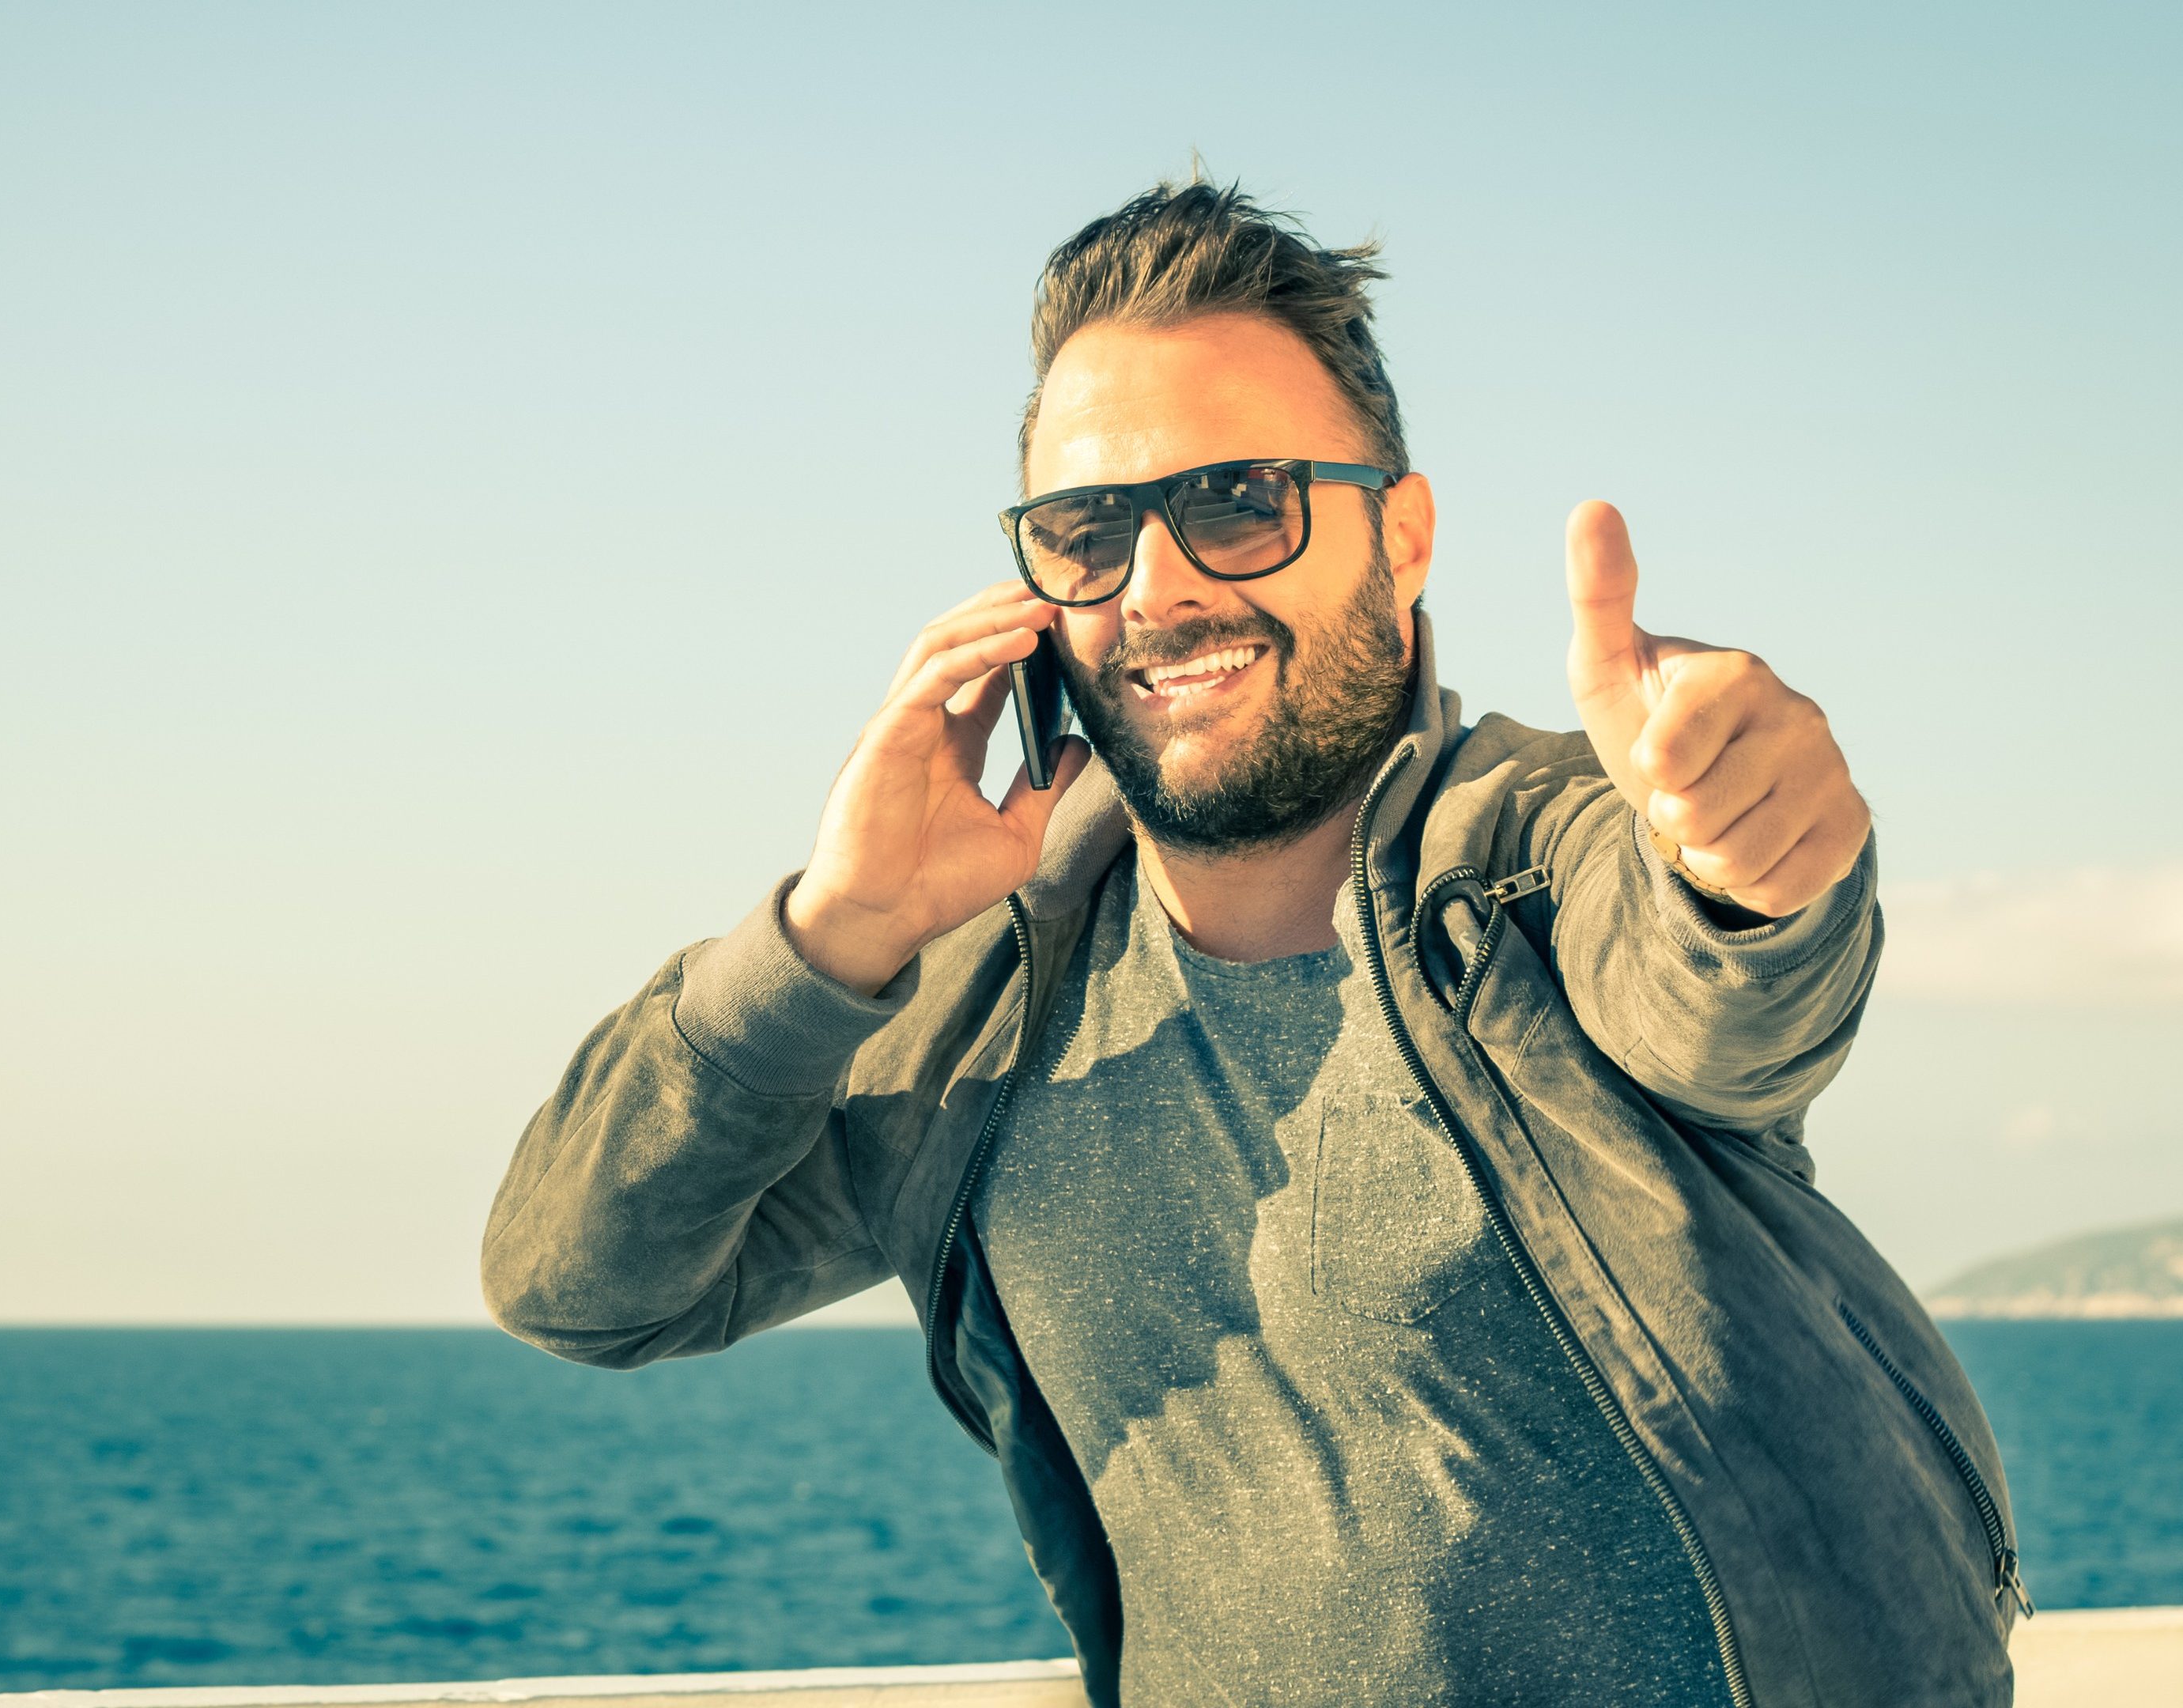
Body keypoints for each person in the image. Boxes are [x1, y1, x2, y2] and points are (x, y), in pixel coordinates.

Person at [478, 178, 2024, 1708]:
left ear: (1402, 540)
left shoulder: (1541, 855)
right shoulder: (961, 1020)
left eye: (1237, 502)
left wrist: (1750, 871)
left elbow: (1723, 995)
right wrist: (832, 934)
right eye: (1087, 532)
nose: (1159, 590)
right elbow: (581, 1284)